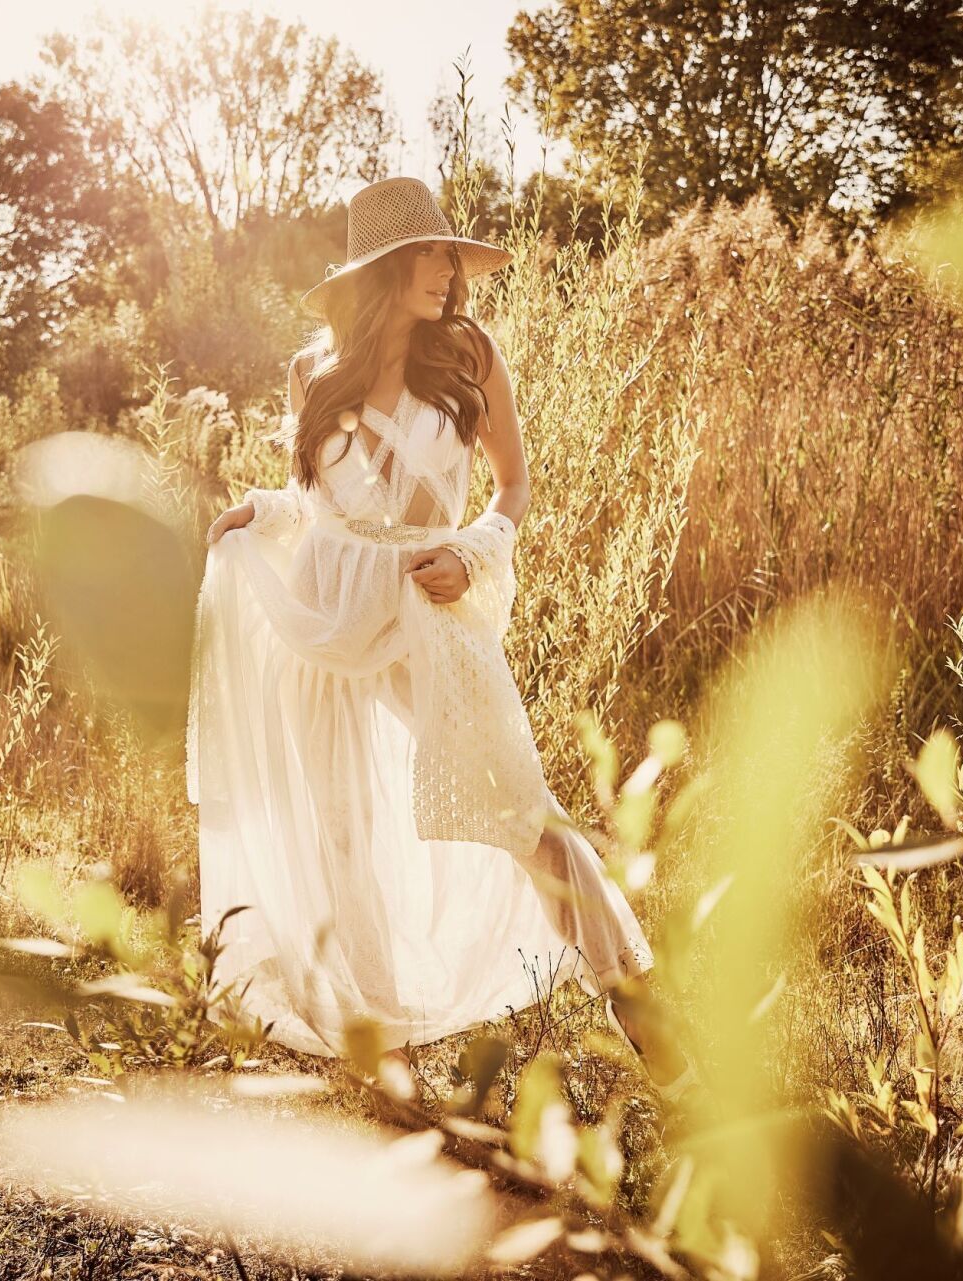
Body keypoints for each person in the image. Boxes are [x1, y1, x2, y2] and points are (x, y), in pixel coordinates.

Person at [185, 175, 691, 1092]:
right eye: (424, 251)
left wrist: (473, 549)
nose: (444, 268)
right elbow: (315, 502)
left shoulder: (469, 357)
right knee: (341, 831)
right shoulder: (313, 372)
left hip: (430, 601)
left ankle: (643, 1014)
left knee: (523, 812)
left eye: (448, 252)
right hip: (327, 610)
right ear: (378, 270)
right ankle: (390, 1060)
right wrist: (259, 508)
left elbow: (514, 488)